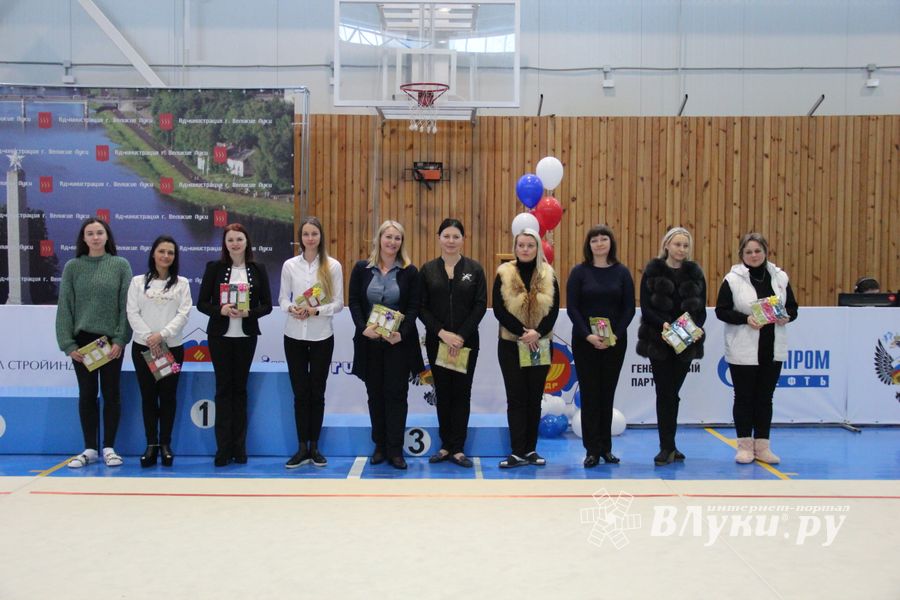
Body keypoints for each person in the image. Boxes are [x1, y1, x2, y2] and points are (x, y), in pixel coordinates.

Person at [55, 218, 133, 468]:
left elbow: (127, 306)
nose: (96, 237)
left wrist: (121, 339)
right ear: (84, 238)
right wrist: (68, 344)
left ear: (107, 236)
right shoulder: (73, 267)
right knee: (87, 395)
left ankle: (109, 447)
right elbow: (65, 307)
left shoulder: (121, 265)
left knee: (111, 394)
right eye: (90, 233)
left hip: (111, 343)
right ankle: (89, 449)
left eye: (100, 232)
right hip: (83, 344)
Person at [715, 232, 798, 464]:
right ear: (742, 254)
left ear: (765, 252)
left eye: (757, 251)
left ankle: (763, 446)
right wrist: (745, 319)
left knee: (765, 398)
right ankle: (744, 446)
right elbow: (721, 310)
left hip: (772, 347)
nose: (753, 255)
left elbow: (792, 307)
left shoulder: (780, 277)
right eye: (748, 252)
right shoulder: (732, 280)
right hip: (743, 347)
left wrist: (786, 317)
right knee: (743, 397)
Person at [348, 220, 424, 470]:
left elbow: (414, 307)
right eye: (388, 237)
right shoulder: (361, 269)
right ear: (379, 239)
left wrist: (401, 333)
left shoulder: (410, 272)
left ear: (402, 242)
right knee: (375, 396)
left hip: (398, 346)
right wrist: (363, 329)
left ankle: (395, 449)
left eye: (397, 238)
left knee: (397, 396)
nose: (392, 242)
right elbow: (355, 302)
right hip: (370, 344)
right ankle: (379, 446)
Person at [197, 223, 272, 466]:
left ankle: (239, 447)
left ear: (246, 242)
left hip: (246, 337)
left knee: (240, 391)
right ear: (225, 244)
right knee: (223, 390)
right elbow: (202, 303)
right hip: (220, 336)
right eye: (230, 240)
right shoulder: (214, 268)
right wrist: (221, 309)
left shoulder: (258, 269)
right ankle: (223, 448)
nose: (235, 243)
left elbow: (267, 306)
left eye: (239, 239)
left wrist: (249, 312)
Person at [419, 218, 488, 468]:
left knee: (462, 393)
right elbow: (421, 308)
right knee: (444, 393)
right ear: (439, 238)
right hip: (438, 342)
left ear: (463, 240)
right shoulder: (427, 270)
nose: (450, 241)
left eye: (455, 236)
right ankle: (445, 445)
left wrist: (460, 335)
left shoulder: (475, 269)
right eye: (446, 236)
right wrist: (442, 333)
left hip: (466, 343)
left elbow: (480, 305)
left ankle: (458, 448)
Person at [636, 226, 706, 466]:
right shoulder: (653, 271)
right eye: (677, 244)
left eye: (685, 245)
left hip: (685, 342)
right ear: (667, 245)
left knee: (673, 394)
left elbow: (701, 310)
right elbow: (646, 307)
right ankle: (666, 446)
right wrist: (664, 325)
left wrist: (695, 329)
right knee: (664, 393)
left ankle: (672, 444)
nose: (681, 249)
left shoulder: (695, 273)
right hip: (660, 341)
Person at [567, 225, 635, 467]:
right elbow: (572, 308)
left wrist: (613, 336)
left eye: (603, 239)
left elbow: (629, 308)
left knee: (607, 394)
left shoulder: (622, 273)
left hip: (615, 343)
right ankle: (591, 450)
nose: (599, 243)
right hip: (586, 343)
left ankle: (606, 448)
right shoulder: (579, 272)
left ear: (610, 243)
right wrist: (588, 336)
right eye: (594, 240)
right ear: (589, 245)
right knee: (590, 394)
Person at [279, 216, 344, 469]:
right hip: (293, 335)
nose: (310, 238)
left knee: (317, 393)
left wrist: (316, 311)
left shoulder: (333, 266)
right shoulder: (289, 266)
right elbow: (283, 299)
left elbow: (338, 303)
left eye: (314, 234)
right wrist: (293, 308)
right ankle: (301, 448)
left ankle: (315, 446)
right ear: (300, 237)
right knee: (300, 393)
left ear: (321, 236)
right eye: (305, 234)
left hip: (321, 337)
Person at [493, 228, 560, 468]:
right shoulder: (504, 273)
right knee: (516, 398)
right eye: (521, 245)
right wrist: (524, 333)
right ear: (515, 247)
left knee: (534, 397)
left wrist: (537, 333)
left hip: (540, 344)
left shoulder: (548, 273)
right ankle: (517, 451)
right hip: (512, 344)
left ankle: (531, 449)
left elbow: (554, 309)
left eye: (530, 245)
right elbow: (499, 309)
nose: (525, 249)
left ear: (537, 248)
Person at [126, 235, 192, 467]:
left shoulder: (181, 284)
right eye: (162, 251)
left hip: (171, 349)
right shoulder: (137, 282)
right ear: (153, 253)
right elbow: (132, 313)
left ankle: (165, 443)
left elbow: (183, 314)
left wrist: (161, 336)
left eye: (170, 253)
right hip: (142, 349)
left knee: (168, 397)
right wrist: (149, 338)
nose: (166, 256)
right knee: (148, 397)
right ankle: (151, 444)